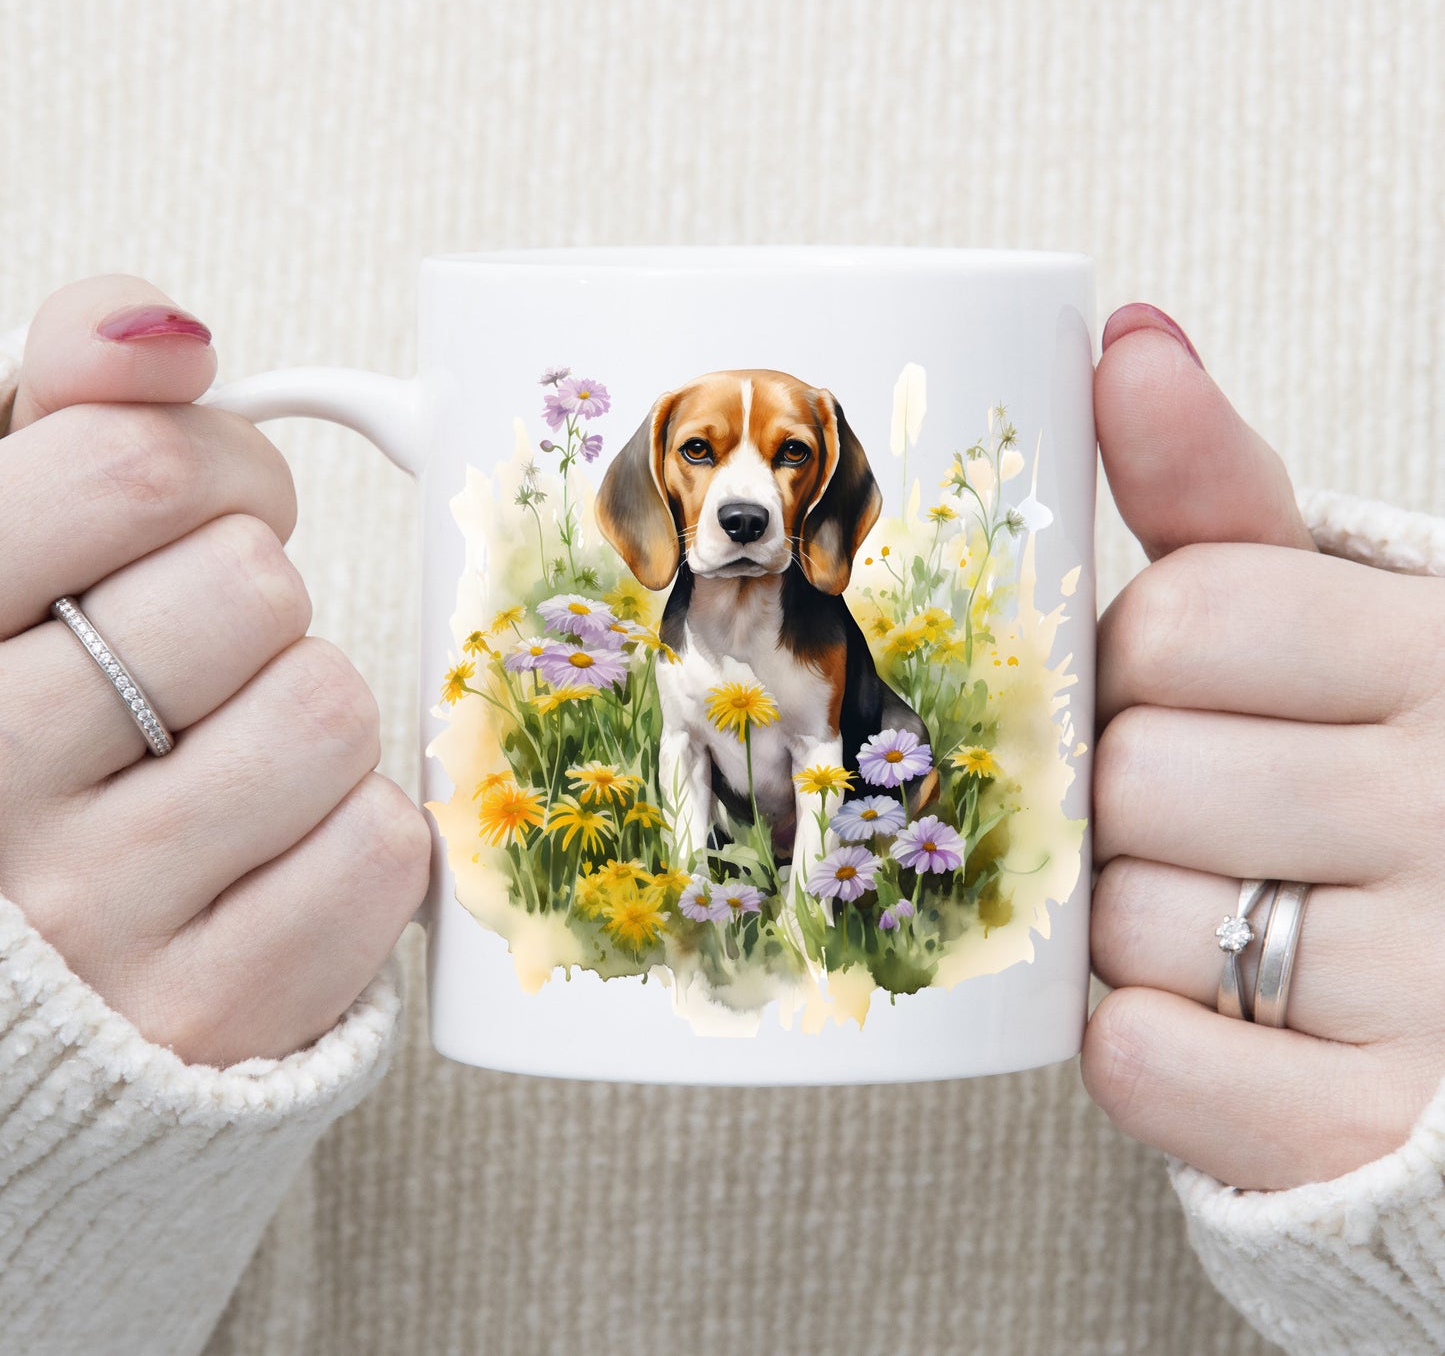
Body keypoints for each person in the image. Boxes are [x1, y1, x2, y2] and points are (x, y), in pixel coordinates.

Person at [0, 275, 1441, 1356]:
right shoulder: (679, 626)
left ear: (823, 488)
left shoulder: (817, 630)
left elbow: (830, 754)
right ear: (656, 486)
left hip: (850, 822)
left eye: (785, 461)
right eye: (704, 458)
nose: (745, 494)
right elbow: (683, 756)